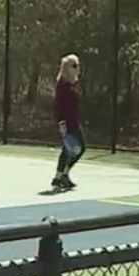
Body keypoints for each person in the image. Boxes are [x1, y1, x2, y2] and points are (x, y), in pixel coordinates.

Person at [53, 53, 85, 190]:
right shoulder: (62, 87)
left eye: (77, 65)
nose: (77, 68)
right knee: (73, 148)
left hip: (73, 120)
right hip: (67, 122)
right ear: (67, 68)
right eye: (74, 66)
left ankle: (61, 176)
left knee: (74, 149)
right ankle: (60, 176)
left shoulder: (70, 85)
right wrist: (61, 123)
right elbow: (59, 106)